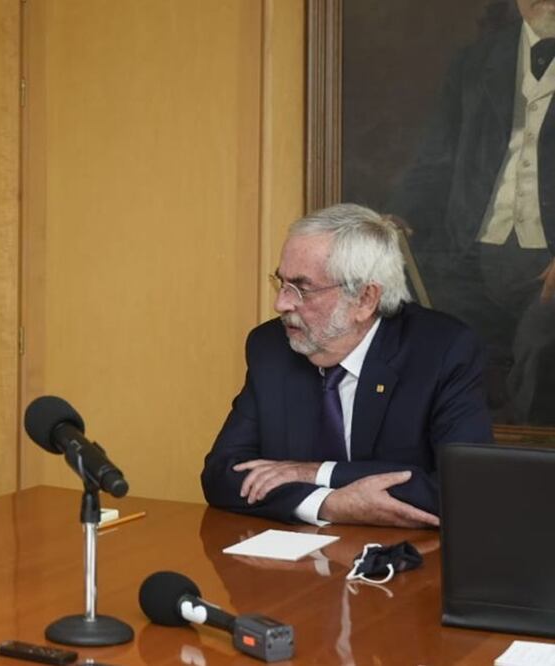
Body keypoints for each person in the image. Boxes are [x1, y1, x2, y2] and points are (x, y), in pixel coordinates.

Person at [201, 204, 492, 528]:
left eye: (302, 288)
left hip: (405, 564)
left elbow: (464, 489)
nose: (281, 303)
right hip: (294, 566)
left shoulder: (442, 351)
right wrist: (326, 504)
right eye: (281, 283)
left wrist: (316, 472)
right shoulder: (271, 347)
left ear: (365, 299)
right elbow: (222, 474)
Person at [387, 0, 555, 423]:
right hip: (472, 256)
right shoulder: (476, 61)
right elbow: (435, 159)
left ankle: (530, 476)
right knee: (429, 347)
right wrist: (402, 215)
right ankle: (461, 474)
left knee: (541, 349)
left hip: (547, 267)